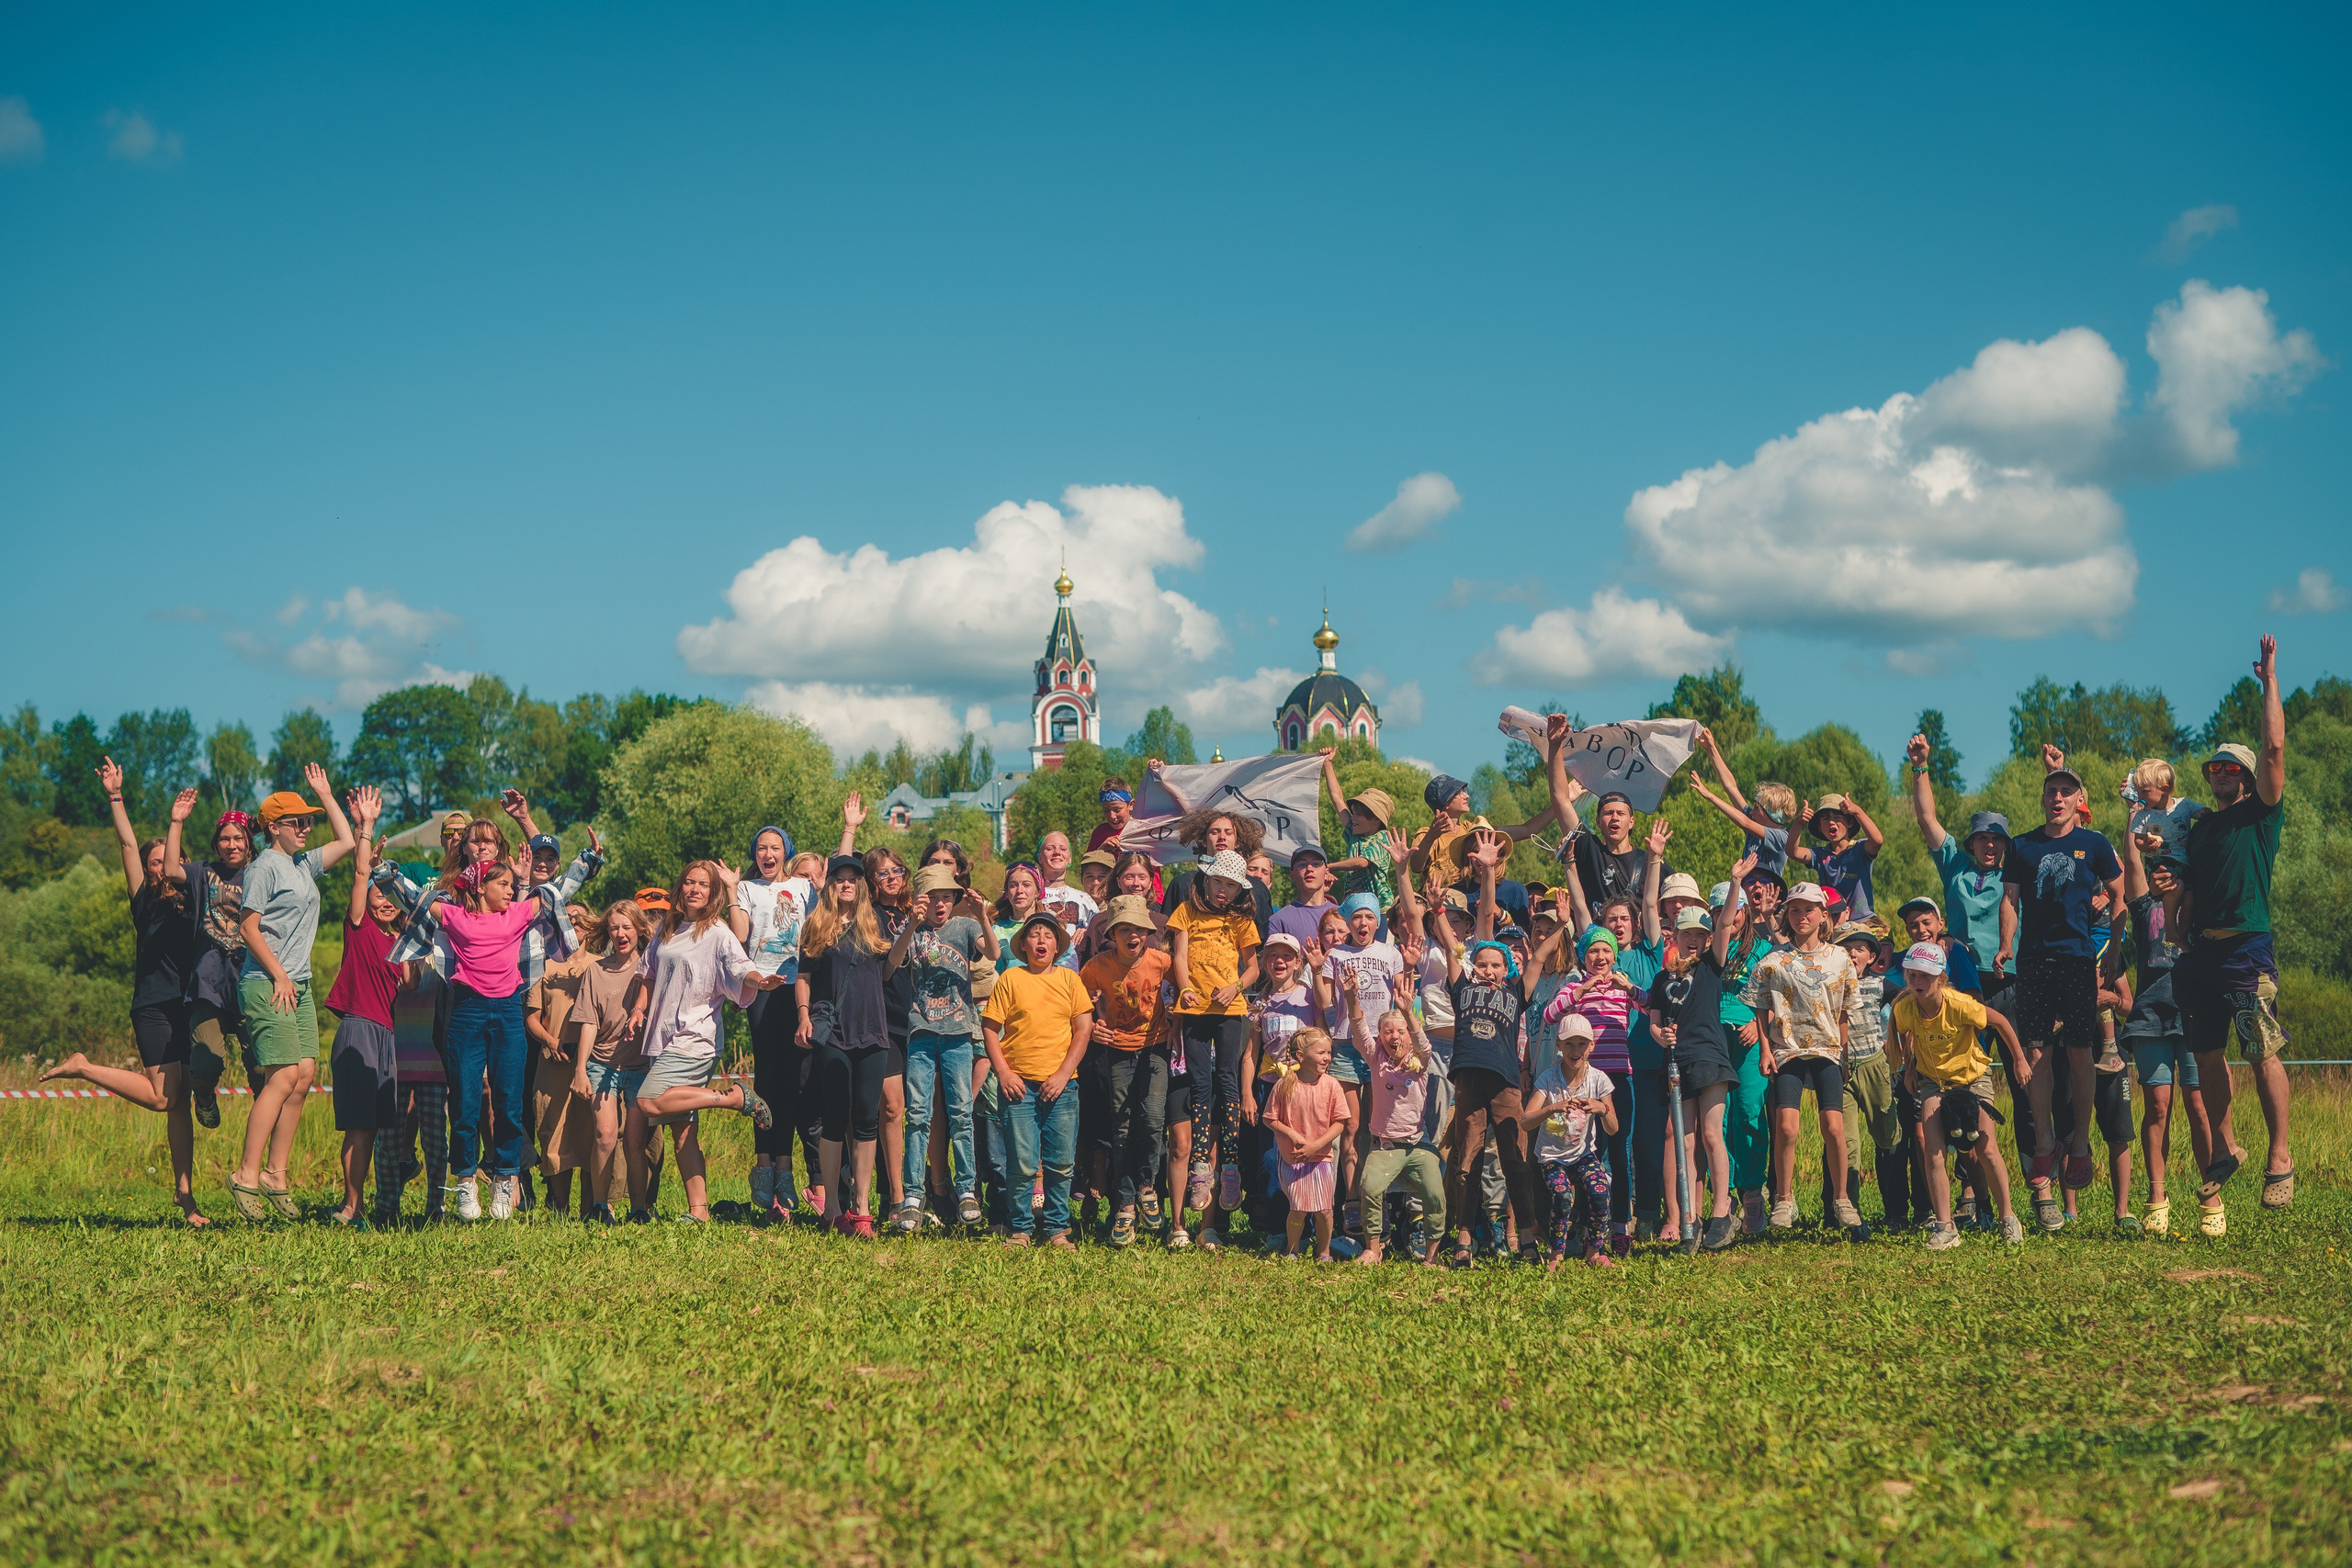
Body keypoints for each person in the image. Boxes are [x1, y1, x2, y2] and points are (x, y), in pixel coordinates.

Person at [36, 762, 208, 1224]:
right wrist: (115, 796)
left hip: (188, 1005)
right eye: (153, 863)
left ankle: (185, 1196)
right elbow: (128, 844)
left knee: (181, 1103)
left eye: (165, 860)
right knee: (161, 1098)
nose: (158, 867)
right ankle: (84, 1066)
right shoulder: (144, 900)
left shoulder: (194, 901)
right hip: (153, 1006)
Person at [2175, 635, 2295, 1220]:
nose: (2220, 772)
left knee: (2261, 1051)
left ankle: (2279, 1157)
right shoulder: (2200, 829)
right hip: (2201, 956)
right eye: (2213, 766)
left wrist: (2269, 679)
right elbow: (2188, 890)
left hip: (2248, 950)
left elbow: (2273, 748)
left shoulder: (2260, 812)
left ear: (2246, 777)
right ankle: (2224, 1147)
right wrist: (2177, 925)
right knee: (2206, 1059)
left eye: (2230, 767)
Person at [1411, 826, 1565, 1267]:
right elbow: (1469, 930)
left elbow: (1535, 958)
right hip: (1468, 1084)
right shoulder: (1462, 985)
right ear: (1472, 963)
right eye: (1483, 962)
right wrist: (1439, 906)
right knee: (1465, 1163)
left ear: (1506, 968)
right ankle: (1463, 1241)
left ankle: (1529, 1242)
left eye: (1497, 963)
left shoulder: (1515, 992)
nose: (1489, 969)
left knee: (1515, 1160)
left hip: (1504, 1085)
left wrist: (1565, 925)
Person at [1997, 761, 2125, 1232]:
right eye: (2051, 789)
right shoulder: (2022, 845)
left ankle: (2081, 1143)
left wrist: (2113, 946)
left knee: (2080, 1051)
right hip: (2032, 961)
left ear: (2078, 800)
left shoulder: (2093, 844)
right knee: (2036, 1052)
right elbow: (2010, 899)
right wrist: (2007, 944)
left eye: (2066, 791)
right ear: (2044, 797)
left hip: (2077, 960)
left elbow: (2120, 894)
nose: (2057, 797)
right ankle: (2047, 1142)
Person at [224, 769, 357, 1221]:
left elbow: (348, 842)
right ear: (273, 827)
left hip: (296, 984)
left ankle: (275, 1175)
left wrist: (324, 793)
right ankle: (246, 1173)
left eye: (307, 821)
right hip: (268, 983)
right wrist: (279, 975)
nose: (305, 828)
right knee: (281, 1077)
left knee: (303, 1075)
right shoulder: (264, 866)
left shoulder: (301, 863)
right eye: (296, 821)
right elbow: (247, 927)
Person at [628, 862, 779, 1223]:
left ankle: (733, 1098)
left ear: (712, 893)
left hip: (695, 1037)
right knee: (683, 1133)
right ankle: (699, 1212)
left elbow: (742, 966)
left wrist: (761, 981)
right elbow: (648, 975)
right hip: (661, 1039)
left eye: (703, 885)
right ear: (680, 888)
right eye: (689, 883)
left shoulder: (716, 932)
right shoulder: (667, 929)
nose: (695, 889)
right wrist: (637, 1010)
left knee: (648, 1101)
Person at [1890, 942, 2030, 1248]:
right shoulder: (1905, 1008)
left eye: (1925, 976)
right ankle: (1945, 1226)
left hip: (1972, 1078)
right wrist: (1910, 1068)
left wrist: (2019, 1058)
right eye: (1912, 975)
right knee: (1931, 1146)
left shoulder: (1959, 1004)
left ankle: (2008, 1218)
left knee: (1986, 1146)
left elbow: (2001, 1022)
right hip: (1934, 1083)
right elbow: (1905, 1031)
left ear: (1941, 977)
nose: (1918, 982)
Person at [1749, 881, 1863, 1236]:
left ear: (1823, 916)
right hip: (1788, 1050)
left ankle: (1842, 1199)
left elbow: (1844, 1011)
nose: (1801, 916)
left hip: (1828, 1051)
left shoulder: (1840, 959)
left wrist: (1844, 1056)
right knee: (1786, 1126)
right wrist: (1767, 1049)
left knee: (1833, 1126)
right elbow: (1759, 1003)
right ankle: (1784, 1198)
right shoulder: (1774, 959)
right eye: (1794, 910)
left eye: (1809, 909)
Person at [2118, 828, 2215, 1236]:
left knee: (2199, 1107)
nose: (2163, 875)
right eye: (2158, 869)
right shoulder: (2143, 909)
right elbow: (2133, 864)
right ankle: (2157, 1197)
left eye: (2171, 869)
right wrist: (2133, 814)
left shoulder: (2202, 905)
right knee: (2157, 1108)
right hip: (2151, 1016)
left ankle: (2211, 1198)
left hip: (2194, 1014)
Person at [890, 865, 998, 1231]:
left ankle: (967, 1189)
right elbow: (891, 965)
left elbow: (995, 953)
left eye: (947, 897)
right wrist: (910, 923)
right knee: (918, 1115)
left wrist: (981, 914)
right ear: (921, 899)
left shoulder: (965, 927)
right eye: (933, 897)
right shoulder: (912, 929)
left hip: (958, 1031)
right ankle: (912, 1195)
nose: (941, 904)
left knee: (960, 1113)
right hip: (921, 1030)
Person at [980, 911, 1095, 1247]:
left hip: (1062, 1086)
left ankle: (1058, 1229)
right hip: (1019, 1087)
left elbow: (1083, 1029)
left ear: (1058, 945)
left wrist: (1062, 1074)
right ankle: (1021, 1229)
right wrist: (1003, 1071)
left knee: (1060, 1162)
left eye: (1048, 935)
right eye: (1034, 935)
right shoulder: (1011, 979)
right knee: (1022, 1162)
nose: (1041, 940)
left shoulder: (1070, 980)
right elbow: (989, 1029)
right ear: (1024, 945)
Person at [1167, 849, 1262, 1246]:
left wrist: (1235, 986)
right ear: (1206, 880)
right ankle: (1202, 1167)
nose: (1222, 891)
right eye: (1218, 882)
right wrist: (1186, 989)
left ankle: (1231, 1167)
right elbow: (1179, 956)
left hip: (1230, 1008)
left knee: (1227, 1080)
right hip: (1195, 1008)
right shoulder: (1186, 912)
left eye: (1230, 885)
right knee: (1200, 1084)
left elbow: (1253, 967)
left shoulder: (1241, 920)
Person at [1647, 874, 1747, 1253]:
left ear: (1707, 940)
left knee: (1710, 1134)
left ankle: (1722, 1212)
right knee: (1684, 1143)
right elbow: (1655, 1022)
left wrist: (1735, 881)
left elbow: (1725, 922)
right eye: (1685, 932)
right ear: (1674, 935)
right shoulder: (1661, 979)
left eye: (1699, 933)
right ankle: (1690, 1220)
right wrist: (1660, 1037)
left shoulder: (1711, 965)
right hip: (1675, 1063)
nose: (1693, 938)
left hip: (1710, 1057)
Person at [797, 854, 894, 1236]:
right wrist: (803, 1016)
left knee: (868, 1118)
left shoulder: (877, 923)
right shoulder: (816, 926)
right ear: (831, 885)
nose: (847, 883)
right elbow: (803, 977)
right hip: (833, 1031)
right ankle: (833, 1208)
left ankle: (862, 1207)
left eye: (854, 878)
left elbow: (890, 970)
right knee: (835, 1116)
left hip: (873, 1031)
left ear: (862, 885)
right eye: (840, 878)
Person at [1313, 868, 1410, 1233]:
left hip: (1384, 1048)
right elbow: (1325, 1002)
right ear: (1348, 922)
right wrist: (1317, 967)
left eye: (1369, 916)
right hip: (1345, 1046)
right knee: (1351, 1127)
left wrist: (1411, 967)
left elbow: (1402, 1000)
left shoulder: (1391, 953)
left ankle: (1378, 1202)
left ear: (1378, 920)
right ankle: (1352, 1202)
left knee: (1381, 1126)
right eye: (1356, 917)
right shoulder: (1336, 954)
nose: (1363, 922)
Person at [729, 825, 816, 1220]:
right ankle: (764, 1165)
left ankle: (786, 1166)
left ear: (786, 852)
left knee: (793, 1081)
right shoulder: (746, 889)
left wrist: (848, 831)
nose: (767, 854)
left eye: (775, 848)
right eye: (761, 848)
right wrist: (732, 890)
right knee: (766, 1078)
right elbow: (741, 936)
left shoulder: (802, 887)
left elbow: (828, 908)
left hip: (799, 986)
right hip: (762, 986)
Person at [322, 787, 401, 1227]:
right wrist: (366, 830)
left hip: (390, 1038)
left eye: (390, 894)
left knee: (372, 1129)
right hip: (359, 1029)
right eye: (378, 894)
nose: (384, 900)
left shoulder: (401, 940)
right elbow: (357, 873)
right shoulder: (359, 925)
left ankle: (362, 1205)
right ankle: (350, 1207)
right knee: (358, 1126)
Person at [162, 801, 257, 1132]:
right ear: (216, 843)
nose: (232, 845)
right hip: (210, 982)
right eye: (225, 839)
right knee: (204, 1063)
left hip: (252, 981)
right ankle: (203, 1098)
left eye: (239, 838)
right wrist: (177, 821)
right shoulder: (204, 872)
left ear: (249, 842)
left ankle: (267, 1129)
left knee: (261, 1069)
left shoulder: (263, 872)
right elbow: (171, 869)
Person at [1348, 976, 1445, 1266]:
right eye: (1387, 1031)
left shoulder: (1421, 1058)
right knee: (1370, 1187)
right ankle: (1374, 1250)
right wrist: (1352, 998)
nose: (1395, 1036)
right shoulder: (1376, 1057)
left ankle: (1431, 1256)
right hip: (1385, 1145)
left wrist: (1407, 1014)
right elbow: (1358, 1029)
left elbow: (1422, 1042)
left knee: (1435, 1193)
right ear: (1381, 1038)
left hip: (1418, 1144)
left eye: (1399, 1030)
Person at [568, 899, 650, 1224]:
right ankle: (599, 1207)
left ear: (638, 930)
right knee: (605, 1135)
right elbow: (588, 1022)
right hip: (602, 1065)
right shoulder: (595, 972)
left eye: (627, 927)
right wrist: (580, 1068)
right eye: (614, 927)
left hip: (641, 1067)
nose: (620, 934)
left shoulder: (649, 967)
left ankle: (639, 1209)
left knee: (635, 1141)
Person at [1524, 1013, 1619, 1269]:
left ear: (1591, 1046)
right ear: (1558, 1046)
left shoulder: (1598, 1079)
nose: (1575, 1051)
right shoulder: (1548, 1078)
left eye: (1581, 1044)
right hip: (1552, 1155)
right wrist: (1552, 1108)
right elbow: (1526, 1121)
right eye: (1569, 1044)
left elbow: (1613, 1129)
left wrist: (1602, 1108)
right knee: (1563, 1195)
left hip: (1583, 1154)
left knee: (1601, 1191)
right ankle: (1556, 1254)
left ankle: (1594, 1252)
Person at [525, 903, 600, 1218]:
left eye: (580, 918)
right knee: (553, 1133)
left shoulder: (600, 965)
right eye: (567, 918)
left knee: (588, 1136)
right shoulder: (544, 966)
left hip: (592, 1063)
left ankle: (587, 1211)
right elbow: (531, 1017)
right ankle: (560, 1210)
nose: (574, 923)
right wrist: (550, 1040)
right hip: (552, 1062)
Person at [1832, 918, 1906, 1231]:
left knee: (1888, 1138)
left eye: (1859, 949)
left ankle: (1896, 1212)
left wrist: (1898, 1041)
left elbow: (1908, 1002)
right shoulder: (1828, 985)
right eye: (1845, 949)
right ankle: (1849, 1214)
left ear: (1873, 957)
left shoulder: (1880, 984)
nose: (1852, 954)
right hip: (1839, 1070)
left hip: (1876, 1066)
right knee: (1846, 1143)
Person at [1264, 1026, 1352, 1260]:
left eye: (1329, 1053)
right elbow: (1269, 1119)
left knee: (1324, 1210)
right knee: (1298, 1209)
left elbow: (1340, 1123)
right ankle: (1292, 1249)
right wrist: (1291, 1134)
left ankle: (1323, 1252)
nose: (1327, 1058)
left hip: (1321, 1158)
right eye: (1321, 1052)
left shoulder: (1331, 1085)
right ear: (1301, 1056)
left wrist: (1316, 1146)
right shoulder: (1284, 1085)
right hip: (1293, 1159)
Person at [1686, 727, 1797, 878]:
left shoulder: (1781, 837)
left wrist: (1710, 796)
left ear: (1771, 813)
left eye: (1757, 808)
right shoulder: (1754, 821)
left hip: (1766, 896)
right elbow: (1731, 787)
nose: (1751, 811)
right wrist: (1711, 749)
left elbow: (1745, 823)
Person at [1266, 842, 1337, 949]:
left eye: (1316, 864)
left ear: (1327, 873)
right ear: (1292, 875)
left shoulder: (1343, 915)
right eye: (1302, 865)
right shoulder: (1278, 921)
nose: (1309, 868)